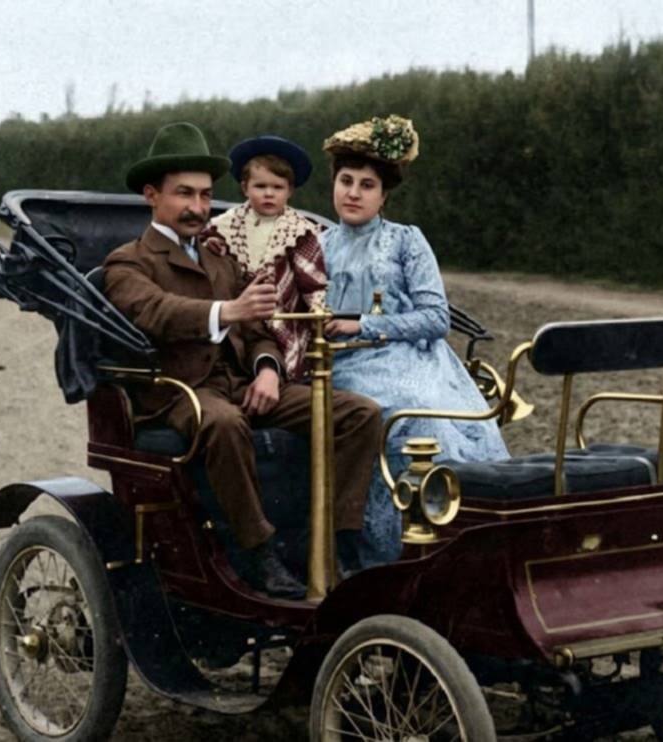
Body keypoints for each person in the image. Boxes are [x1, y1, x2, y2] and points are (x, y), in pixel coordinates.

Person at [102, 122, 381, 597]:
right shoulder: (128, 261)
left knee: (360, 414)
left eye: (205, 195)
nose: (197, 207)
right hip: (176, 392)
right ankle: (259, 551)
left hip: (240, 384)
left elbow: (256, 331)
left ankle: (335, 541)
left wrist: (268, 370)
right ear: (152, 195)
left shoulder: (219, 260)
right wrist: (227, 311)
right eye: (183, 194)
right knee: (225, 423)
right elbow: (156, 311)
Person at [320, 115, 510, 567]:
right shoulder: (316, 246)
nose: (353, 193)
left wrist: (362, 325)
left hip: (411, 360)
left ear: (384, 195)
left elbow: (436, 318)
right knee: (394, 419)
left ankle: (454, 545)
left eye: (367, 185)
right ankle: (388, 557)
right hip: (342, 367)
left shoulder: (406, 241)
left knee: (428, 417)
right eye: (346, 181)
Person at [202, 136, 328, 380]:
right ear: (245, 188)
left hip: (280, 318)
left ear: (290, 191)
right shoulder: (225, 224)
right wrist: (211, 247)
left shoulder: (299, 231)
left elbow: (313, 283)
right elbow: (201, 253)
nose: (269, 194)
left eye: (277, 188)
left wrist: (318, 314)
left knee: (282, 364)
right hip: (236, 317)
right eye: (260, 186)